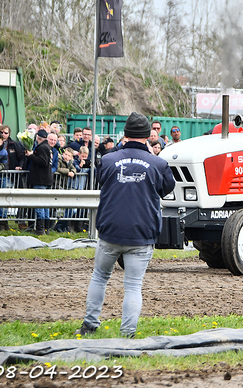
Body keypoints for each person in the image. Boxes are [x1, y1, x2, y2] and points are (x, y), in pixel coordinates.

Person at [74, 112, 175, 338]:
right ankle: (127, 334)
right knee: (133, 285)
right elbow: (167, 189)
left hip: (110, 231)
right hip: (142, 233)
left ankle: (89, 325)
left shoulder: (108, 159)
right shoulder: (158, 163)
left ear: (125, 134)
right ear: (148, 135)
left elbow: (102, 179)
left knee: (100, 276)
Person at [25, 129, 53, 235]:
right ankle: (46, 228)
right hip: (46, 179)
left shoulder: (42, 148)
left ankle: (40, 229)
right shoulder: (48, 147)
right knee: (45, 204)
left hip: (40, 179)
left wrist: (31, 155)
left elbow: (42, 162)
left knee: (39, 204)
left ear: (38, 137)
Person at [52, 148, 77, 232]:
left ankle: (61, 225)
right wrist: (67, 172)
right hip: (56, 186)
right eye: (65, 154)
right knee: (54, 207)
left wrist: (73, 172)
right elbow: (57, 168)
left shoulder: (70, 162)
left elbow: (74, 168)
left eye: (69, 155)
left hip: (64, 187)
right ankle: (56, 225)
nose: (66, 157)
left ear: (71, 157)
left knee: (72, 209)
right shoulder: (59, 159)